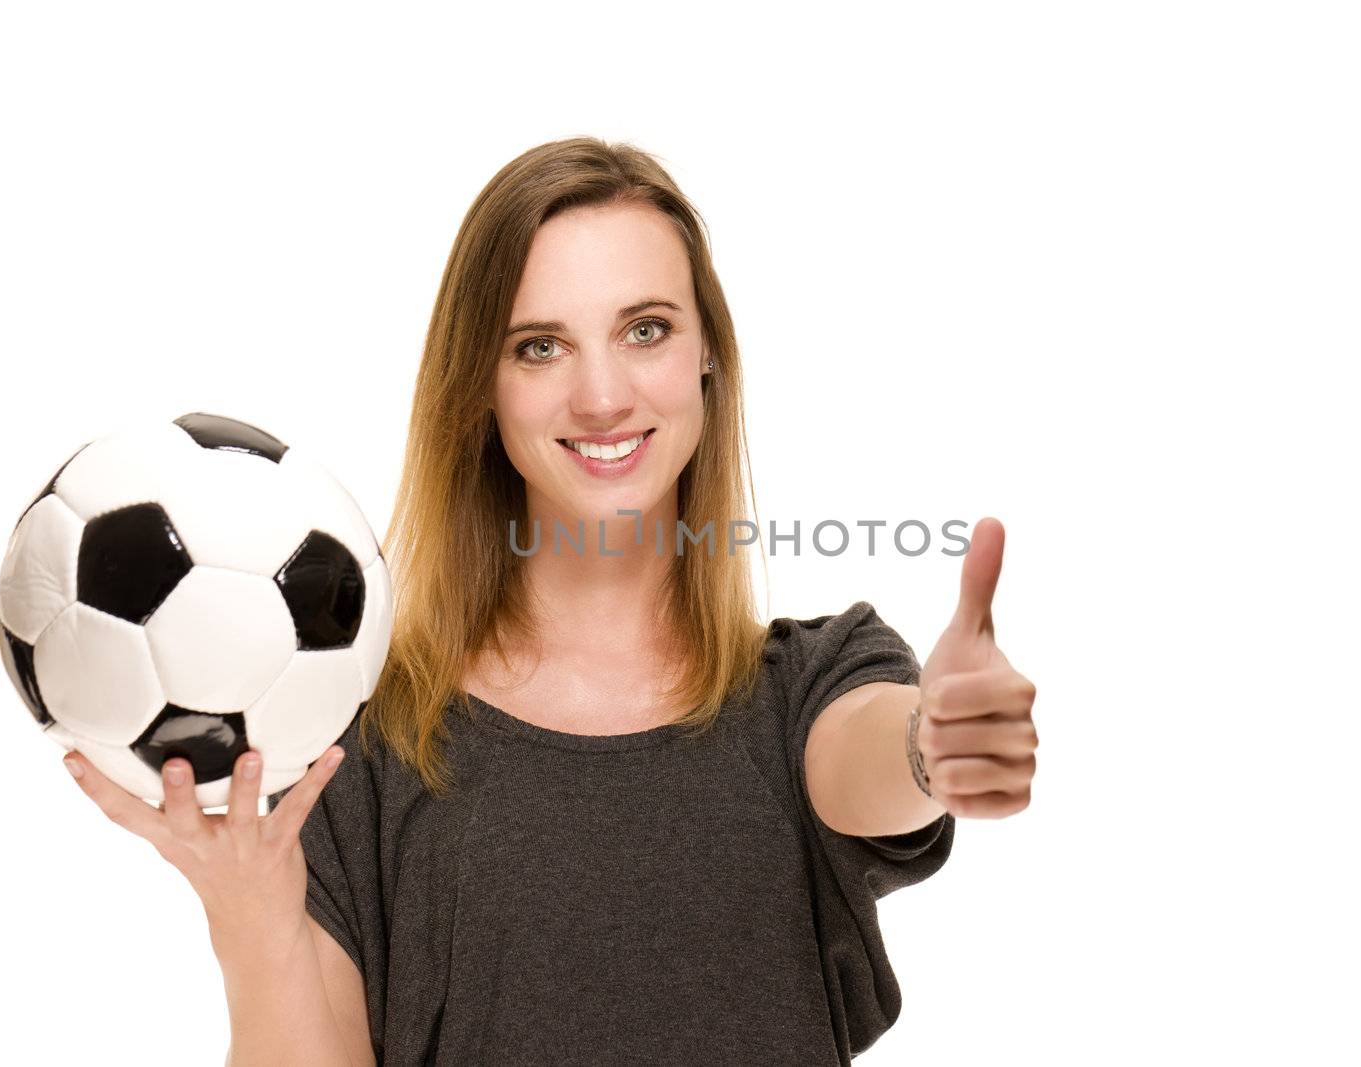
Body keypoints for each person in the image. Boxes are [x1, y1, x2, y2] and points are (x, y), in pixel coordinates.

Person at [61, 136, 1039, 1066]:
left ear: (708, 354)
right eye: (540, 346)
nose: (603, 394)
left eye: (645, 329)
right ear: (481, 383)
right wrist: (249, 910)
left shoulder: (813, 686)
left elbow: (878, 753)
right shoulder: (351, 739)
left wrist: (934, 742)